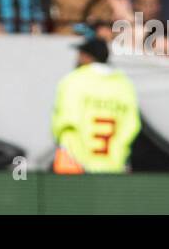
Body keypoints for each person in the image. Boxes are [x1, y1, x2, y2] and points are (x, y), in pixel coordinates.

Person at [50, 34, 141, 174]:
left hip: (76, 168)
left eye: (80, 54)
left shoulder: (73, 80)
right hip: (114, 168)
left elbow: (64, 122)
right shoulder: (124, 85)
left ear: (87, 57)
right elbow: (131, 126)